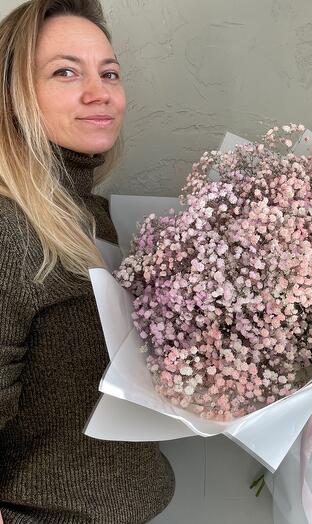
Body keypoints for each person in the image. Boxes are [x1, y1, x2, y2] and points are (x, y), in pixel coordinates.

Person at [0, 1, 175, 522]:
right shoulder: (11, 228)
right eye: (65, 72)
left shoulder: (98, 219)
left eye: (110, 72)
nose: (100, 92)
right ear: (12, 96)